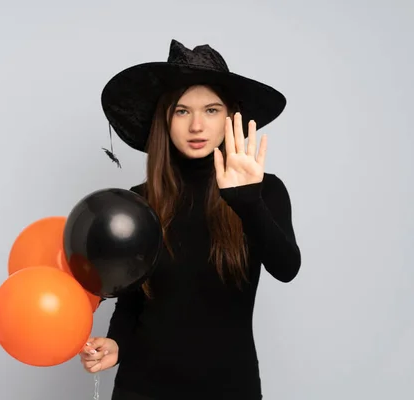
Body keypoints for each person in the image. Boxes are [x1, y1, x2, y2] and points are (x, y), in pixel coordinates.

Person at [80, 39, 302, 400]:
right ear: (165, 119)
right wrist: (116, 344)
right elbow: (133, 297)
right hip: (142, 388)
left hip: (230, 388)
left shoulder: (264, 191)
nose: (197, 125)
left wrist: (246, 202)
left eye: (211, 110)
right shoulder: (140, 200)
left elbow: (286, 266)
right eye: (182, 111)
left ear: (232, 117)